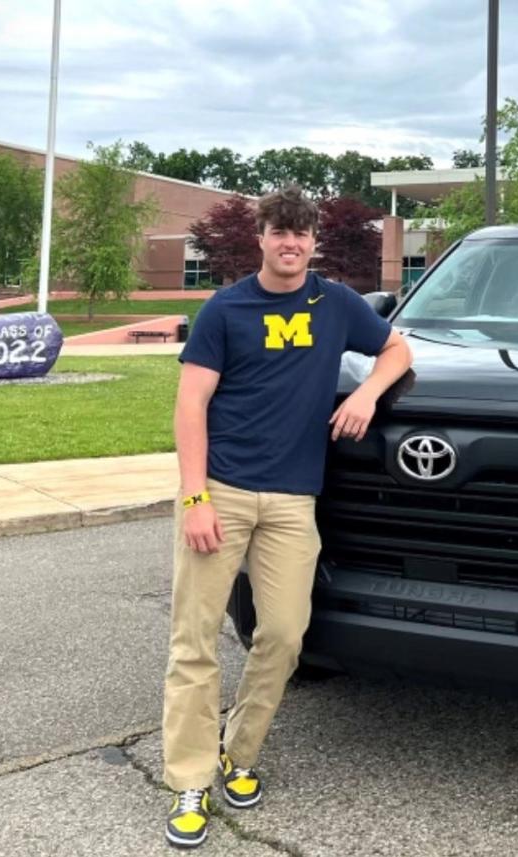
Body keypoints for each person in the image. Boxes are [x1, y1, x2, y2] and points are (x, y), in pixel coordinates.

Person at [162, 185, 412, 849]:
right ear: (263, 237)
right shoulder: (226, 308)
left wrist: (366, 392)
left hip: (294, 500)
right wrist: (194, 498)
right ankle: (189, 779)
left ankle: (236, 751)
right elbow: (191, 406)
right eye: (281, 232)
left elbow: (398, 349)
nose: (291, 244)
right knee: (195, 640)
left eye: (302, 234)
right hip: (223, 492)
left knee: (284, 634)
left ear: (312, 242)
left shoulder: (335, 304)